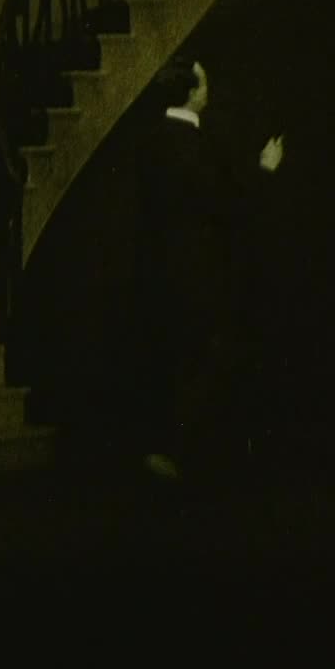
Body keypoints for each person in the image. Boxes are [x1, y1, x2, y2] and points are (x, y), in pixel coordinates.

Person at [130, 54, 284, 484]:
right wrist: (265, 170)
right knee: (197, 362)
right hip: (196, 274)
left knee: (167, 360)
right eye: (202, 82)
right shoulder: (196, 146)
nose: (208, 87)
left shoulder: (150, 141)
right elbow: (227, 207)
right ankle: (178, 456)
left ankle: (163, 449)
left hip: (156, 272)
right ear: (190, 92)